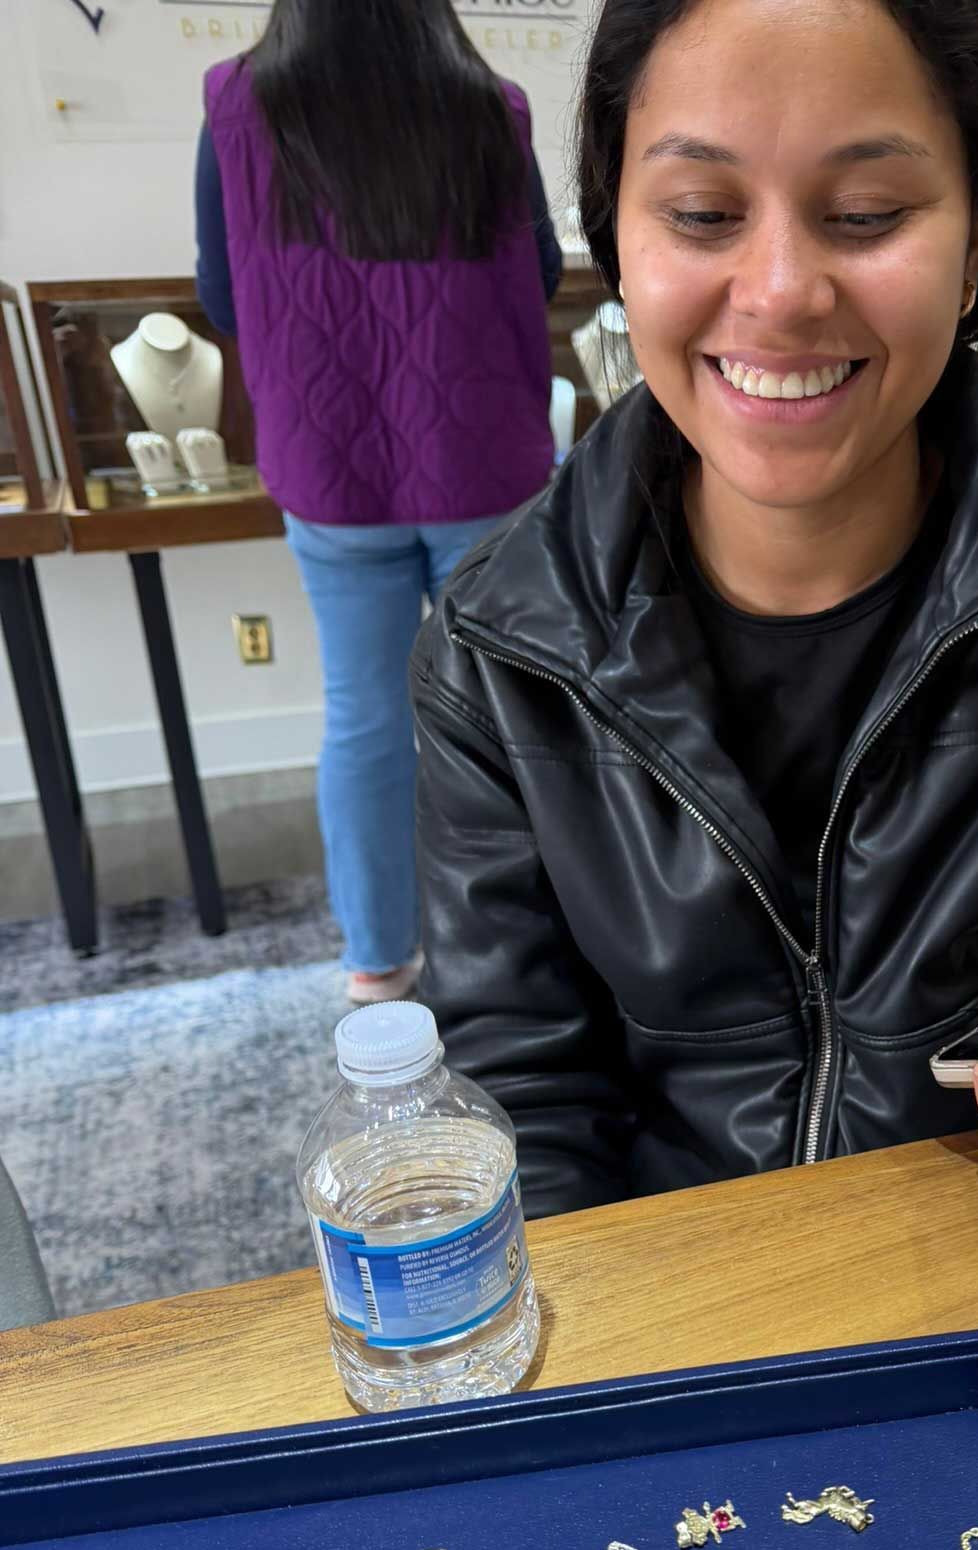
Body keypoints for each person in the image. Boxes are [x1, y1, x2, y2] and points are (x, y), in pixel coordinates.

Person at [412, 0, 978, 1220]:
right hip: (683, 1284)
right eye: (701, 215)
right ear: (617, 239)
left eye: (865, 217)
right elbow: (525, 1100)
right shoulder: (498, 646)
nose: (782, 293)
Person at [195, 0, 560, 1003]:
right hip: (484, 462)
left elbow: (223, 296)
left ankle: (377, 961)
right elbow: (542, 271)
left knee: (362, 713)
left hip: (330, 468)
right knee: (513, 714)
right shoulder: (492, 106)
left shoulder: (236, 102)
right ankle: (541, 942)